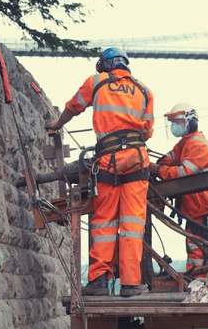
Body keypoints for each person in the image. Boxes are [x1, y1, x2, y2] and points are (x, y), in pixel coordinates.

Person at [46, 47, 154, 296]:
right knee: (133, 223)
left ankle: (99, 282)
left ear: (105, 65)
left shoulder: (96, 82)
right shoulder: (145, 90)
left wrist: (55, 124)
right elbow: (147, 131)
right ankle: (130, 284)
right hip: (138, 158)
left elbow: (74, 107)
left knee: (104, 220)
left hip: (109, 159)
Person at [149, 103, 208, 275]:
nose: (175, 126)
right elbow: (168, 158)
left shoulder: (198, 145)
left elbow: (184, 173)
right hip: (194, 206)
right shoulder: (184, 144)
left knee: (199, 243)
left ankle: (202, 274)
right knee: (198, 242)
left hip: (202, 204)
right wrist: (161, 165)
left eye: (178, 122)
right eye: (173, 122)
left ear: (191, 121)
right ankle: (204, 274)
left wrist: (158, 170)